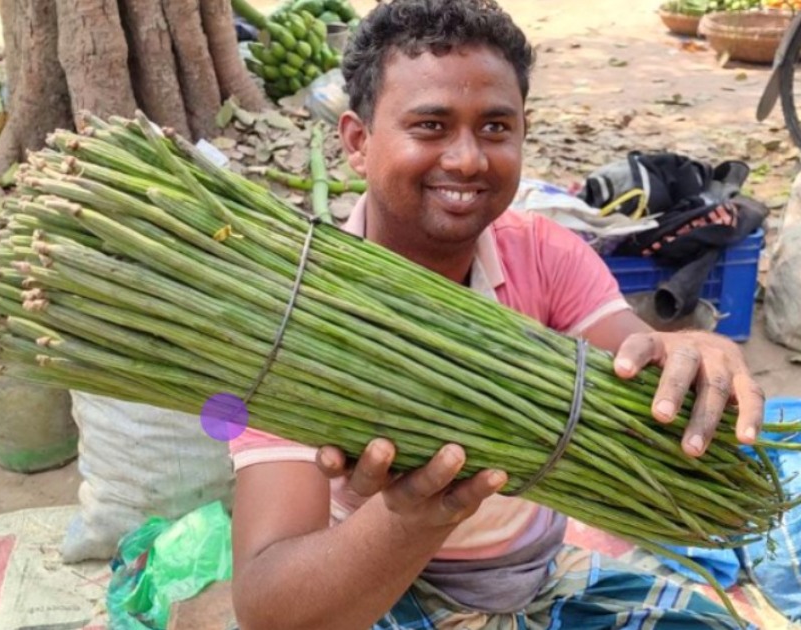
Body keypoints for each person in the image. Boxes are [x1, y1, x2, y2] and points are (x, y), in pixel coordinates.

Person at [229, 1, 764, 628]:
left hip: (533, 578)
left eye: (494, 128)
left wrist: (695, 358)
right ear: (356, 141)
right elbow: (267, 610)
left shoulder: (544, 254)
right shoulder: (294, 318)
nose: (467, 160)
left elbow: (641, 367)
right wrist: (410, 520)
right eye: (430, 126)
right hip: (370, 594)